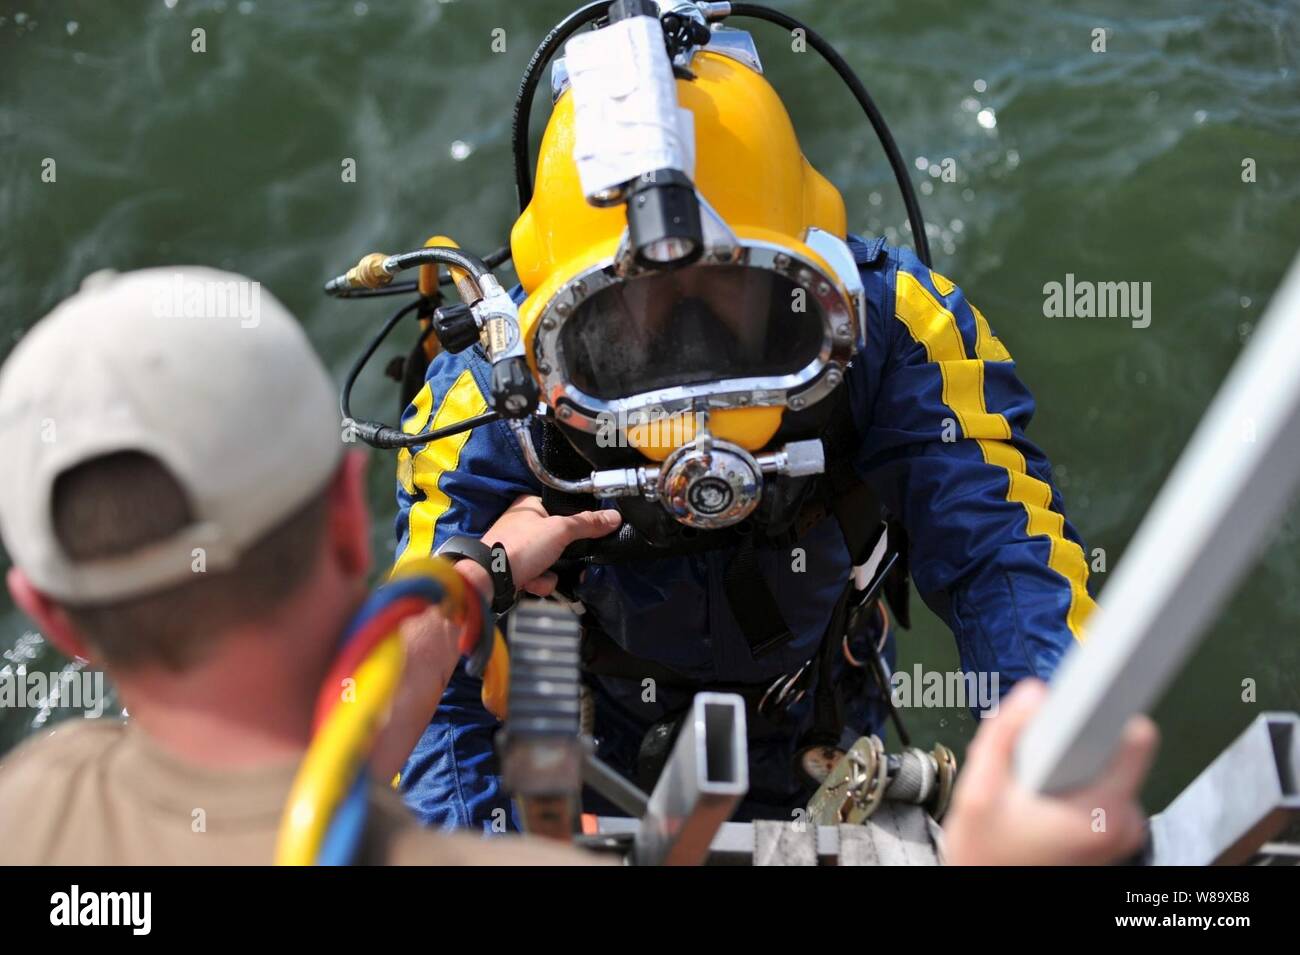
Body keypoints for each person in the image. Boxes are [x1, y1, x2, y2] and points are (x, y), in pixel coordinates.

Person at [391, 5, 1099, 831]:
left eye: (727, 291)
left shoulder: (896, 331)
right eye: (635, 316)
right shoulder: (492, 394)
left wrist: (1047, 766)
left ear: (805, 274)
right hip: (592, 723)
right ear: (556, 324)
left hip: (822, 713)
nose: (689, 350)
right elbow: (422, 674)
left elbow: (1004, 558)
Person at [0, 267, 602, 865]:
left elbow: (318, 762)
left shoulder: (32, 808)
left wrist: (475, 575)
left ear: (53, 619)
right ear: (346, 523)